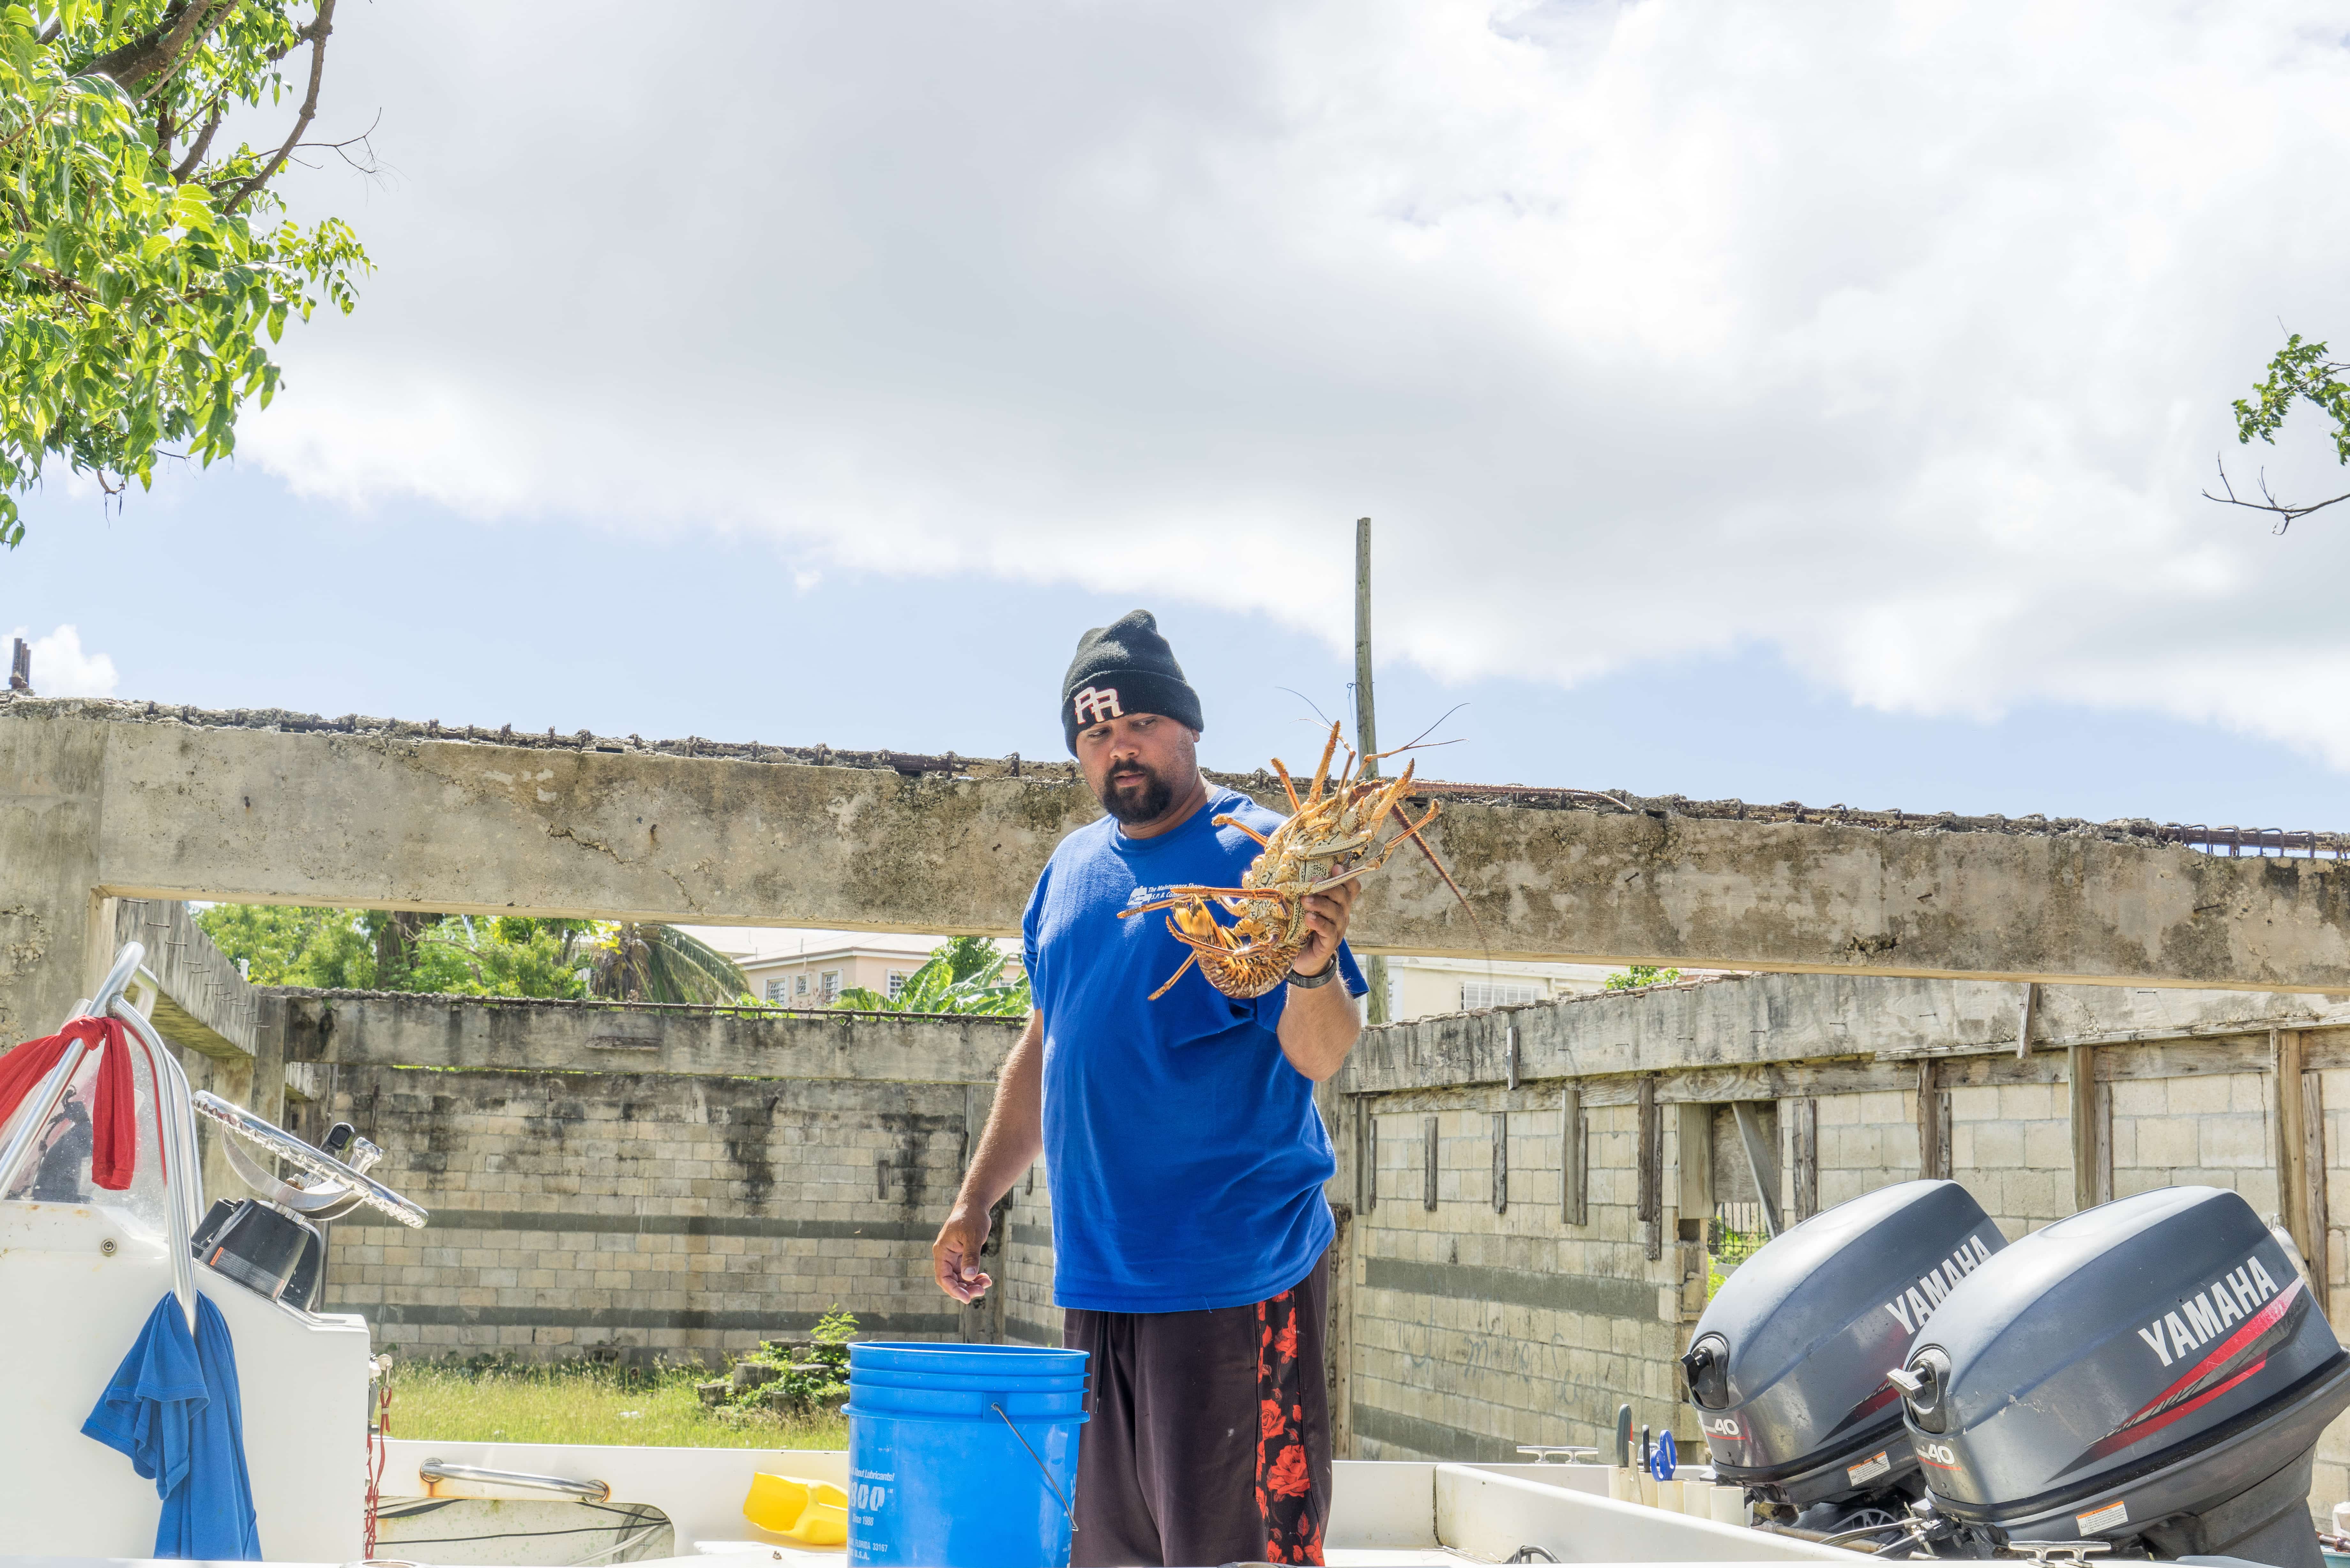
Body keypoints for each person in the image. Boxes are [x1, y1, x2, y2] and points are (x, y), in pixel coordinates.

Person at [931, 609, 1368, 1568]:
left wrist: (1306, 967)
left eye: (1137, 725)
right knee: (1111, 1551)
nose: (1118, 749)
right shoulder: (1070, 872)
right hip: (1099, 1283)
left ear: (1188, 728)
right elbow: (1047, 1049)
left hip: (1232, 1278)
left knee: (1236, 1553)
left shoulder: (1263, 854)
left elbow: (1326, 1053)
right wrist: (975, 1203)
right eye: (1094, 734)